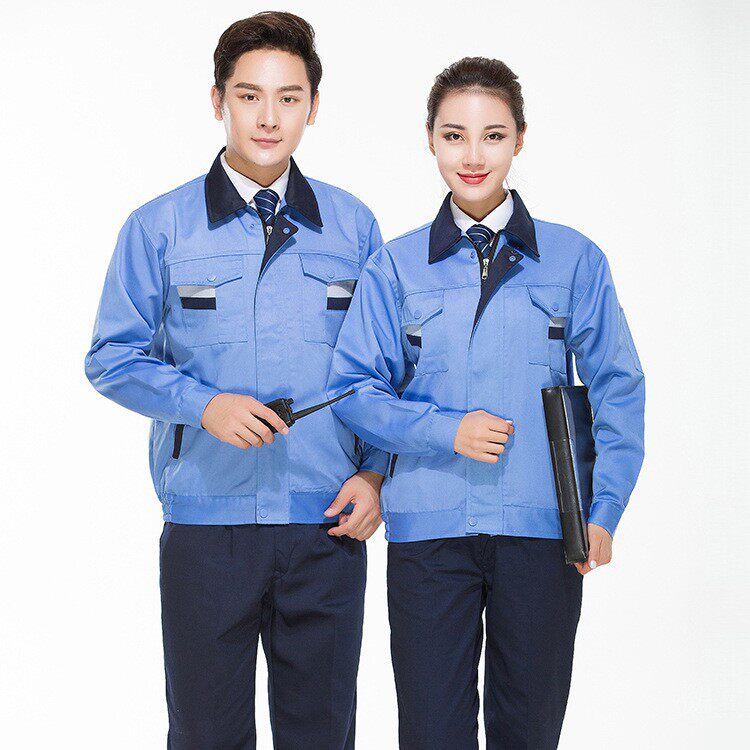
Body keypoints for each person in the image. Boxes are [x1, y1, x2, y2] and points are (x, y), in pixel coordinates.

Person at [84, 12, 388, 749]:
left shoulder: (353, 227)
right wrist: (204, 405)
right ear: (218, 99)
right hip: (206, 526)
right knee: (205, 735)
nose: (269, 117)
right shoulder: (159, 227)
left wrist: (376, 475)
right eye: (249, 96)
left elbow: (385, 371)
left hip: (327, 525)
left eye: (289, 97)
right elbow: (112, 356)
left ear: (314, 106)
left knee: (322, 735)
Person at [327, 57, 646, 749]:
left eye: (493, 136)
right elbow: (354, 390)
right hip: (429, 536)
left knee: (528, 731)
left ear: (520, 140)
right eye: (454, 136)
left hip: (543, 533)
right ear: (431, 140)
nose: (473, 157)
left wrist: (604, 508)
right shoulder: (395, 265)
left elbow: (618, 386)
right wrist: (446, 430)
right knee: (432, 733)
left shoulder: (573, 259)